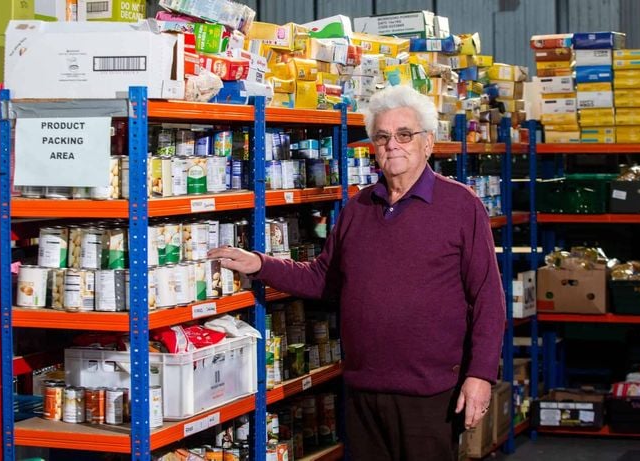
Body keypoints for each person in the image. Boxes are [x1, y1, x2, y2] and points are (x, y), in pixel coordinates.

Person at [208, 84, 506, 460]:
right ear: (372, 147)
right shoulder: (358, 209)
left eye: (404, 134)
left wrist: (480, 376)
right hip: (363, 388)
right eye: (382, 137)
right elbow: (322, 278)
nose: (392, 145)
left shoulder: (461, 205)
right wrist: (261, 265)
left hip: (431, 393)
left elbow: (488, 300)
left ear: (428, 143)